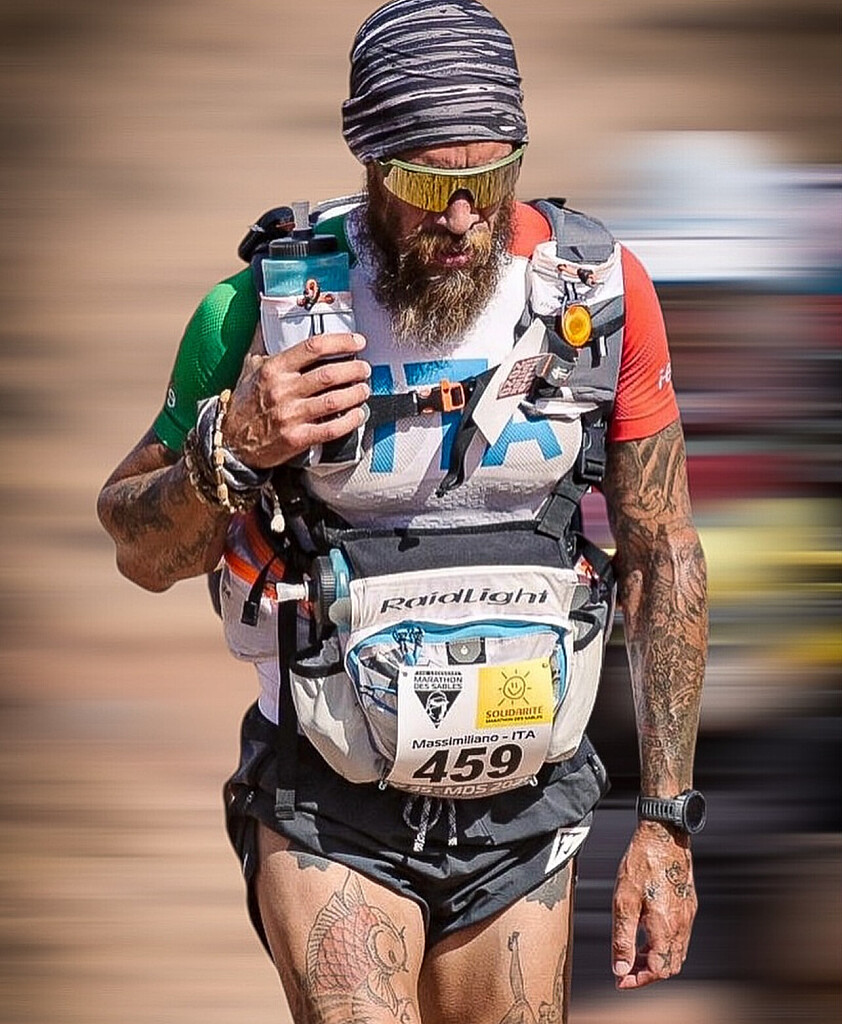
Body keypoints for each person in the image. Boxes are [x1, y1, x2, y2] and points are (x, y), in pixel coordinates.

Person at [97, 1, 708, 1021]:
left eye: (488, 177)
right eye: (427, 184)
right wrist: (234, 448)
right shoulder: (260, 310)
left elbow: (663, 554)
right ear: (369, 159)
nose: (460, 216)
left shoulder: (599, 295)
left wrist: (665, 821)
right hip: (326, 801)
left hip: (525, 807)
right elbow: (137, 548)